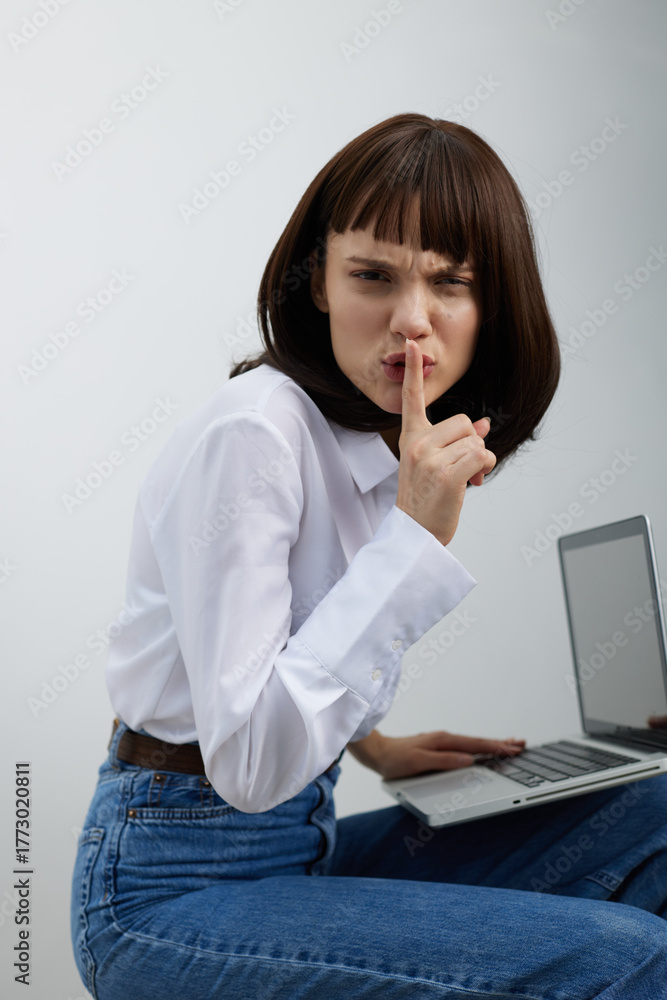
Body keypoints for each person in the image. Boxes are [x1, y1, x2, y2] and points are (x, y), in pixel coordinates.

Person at [70, 113, 667, 999]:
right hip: (165, 894)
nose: (411, 321)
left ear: (490, 305)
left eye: (450, 283)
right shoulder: (254, 437)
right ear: (317, 282)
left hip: (294, 848)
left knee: (656, 814)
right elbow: (247, 766)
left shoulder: (368, 442)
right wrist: (411, 539)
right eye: (372, 276)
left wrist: (374, 745)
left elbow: (256, 658)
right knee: (626, 958)